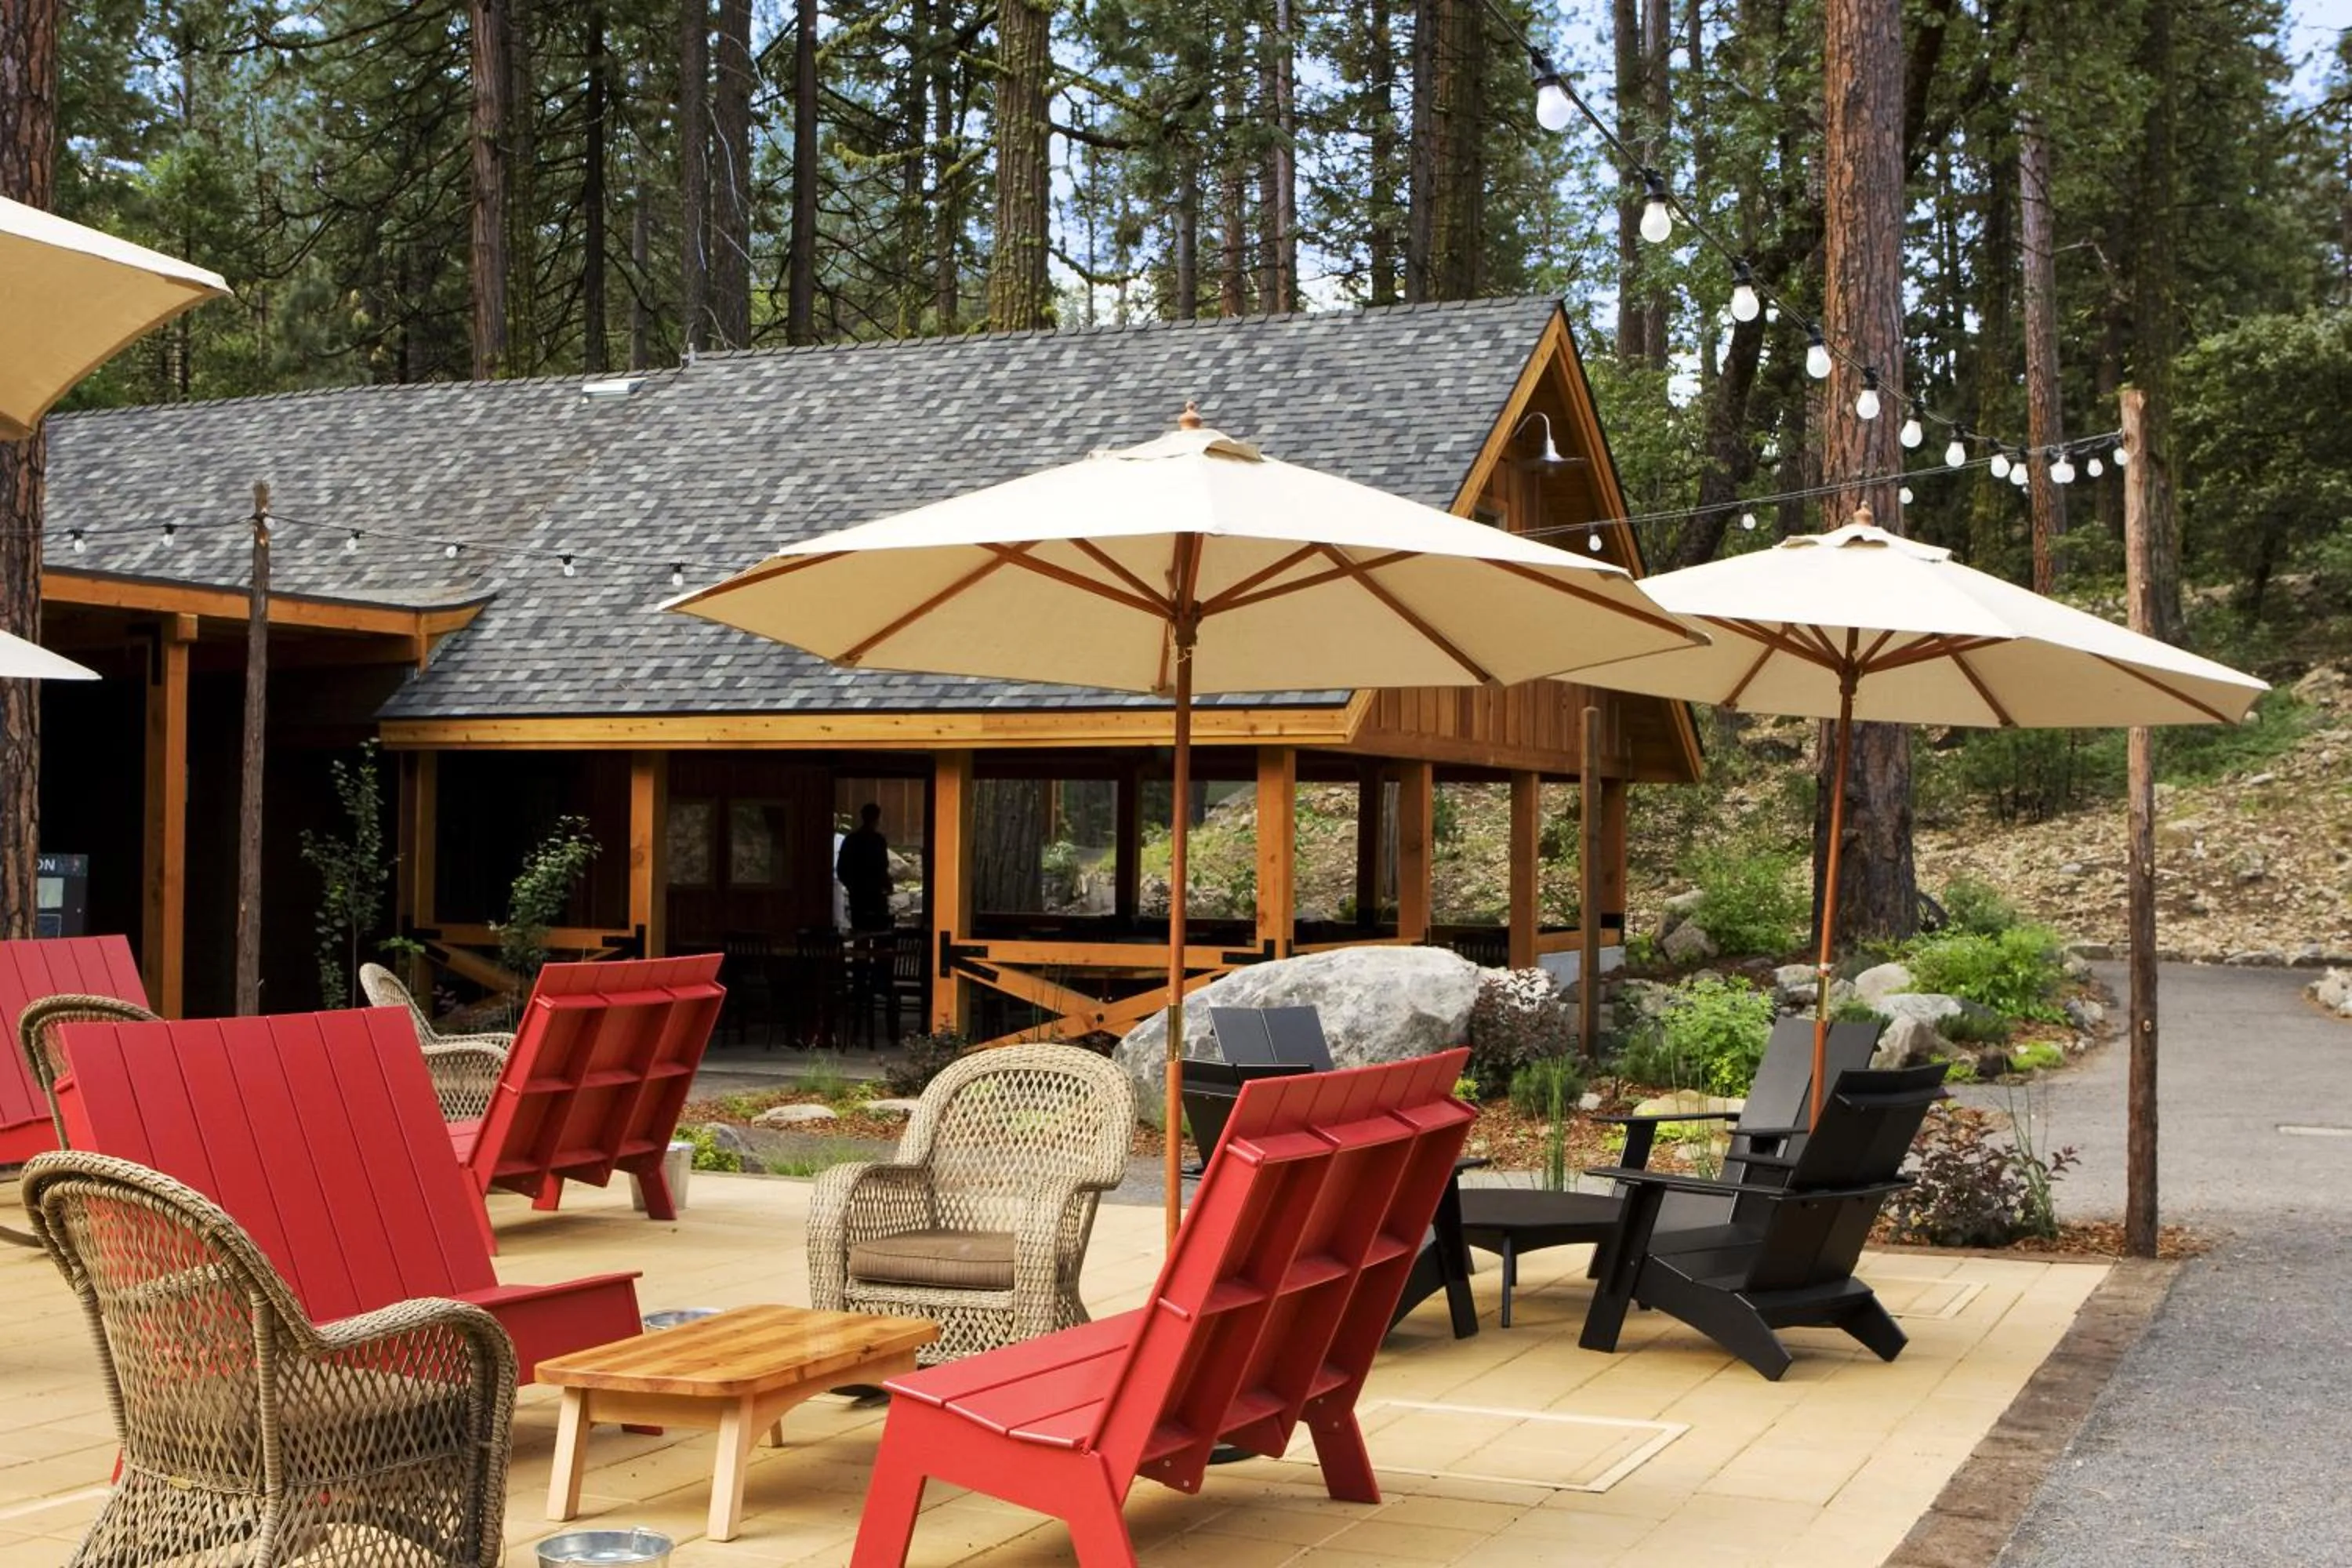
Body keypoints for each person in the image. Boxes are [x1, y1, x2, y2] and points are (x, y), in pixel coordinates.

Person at [836, 803, 893, 934]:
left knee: (860, 934)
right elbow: (883, 867)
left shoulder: (851, 840)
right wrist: (886, 885)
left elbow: (841, 869)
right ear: (877, 819)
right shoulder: (878, 841)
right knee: (879, 935)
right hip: (876, 895)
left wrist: (852, 886)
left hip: (858, 896)